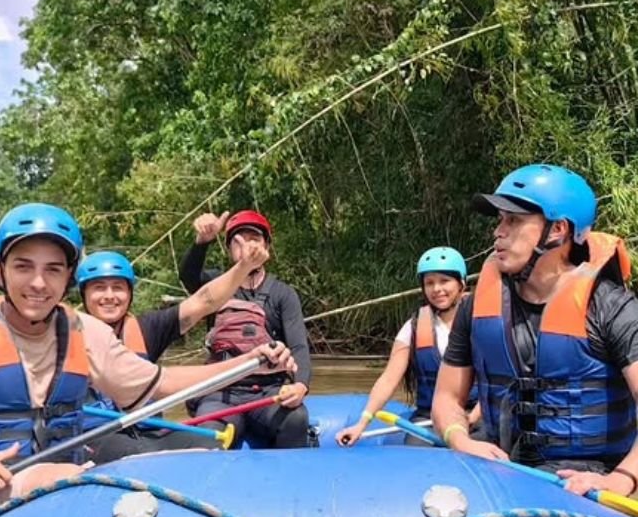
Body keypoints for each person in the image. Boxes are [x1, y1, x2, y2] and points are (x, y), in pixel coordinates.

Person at [0, 203, 295, 504]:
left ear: (67, 277)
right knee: (66, 477)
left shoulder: (86, 333)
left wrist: (251, 360)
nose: (38, 283)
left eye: (53, 269)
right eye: (24, 267)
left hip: (75, 486)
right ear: (0, 271)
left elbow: (160, 384)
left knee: (190, 459)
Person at [431, 164, 638, 497]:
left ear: (557, 229)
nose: (498, 232)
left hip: (587, 478)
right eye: (500, 219)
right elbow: (446, 398)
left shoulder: (612, 308)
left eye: (513, 220)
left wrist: (621, 480)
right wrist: (459, 438)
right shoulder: (475, 307)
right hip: (501, 462)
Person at [75, 236, 273, 461]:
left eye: (118, 288)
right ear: (84, 294)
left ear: (129, 295)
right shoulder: (66, 335)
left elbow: (204, 301)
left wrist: (244, 266)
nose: (109, 296)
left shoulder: (146, 328)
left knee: (208, 443)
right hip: (94, 439)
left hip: (146, 431)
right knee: (139, 454)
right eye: (99, 288)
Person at [178, 209, 311, 448]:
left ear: (266, 247)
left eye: (254, 239)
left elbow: (299, 345)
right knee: (208, 433)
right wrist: (202, 243)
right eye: (239, 241)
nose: (248, 246)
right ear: (229, 250)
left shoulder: (283, 294)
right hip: (221, 392)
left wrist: (300, 385)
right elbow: (188, 276)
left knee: (296, 420)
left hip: (268, 391)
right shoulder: (216, 286)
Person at [336, 247, 475, 447]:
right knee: (416, 447)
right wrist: (362, 423)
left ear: (461, 283)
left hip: (475, 416)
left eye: (444, 281)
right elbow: (389, 379)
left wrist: (473, 417)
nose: (436, 289)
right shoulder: (414, 327)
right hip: (431, 418)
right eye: (429, 283)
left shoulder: (481, 322)